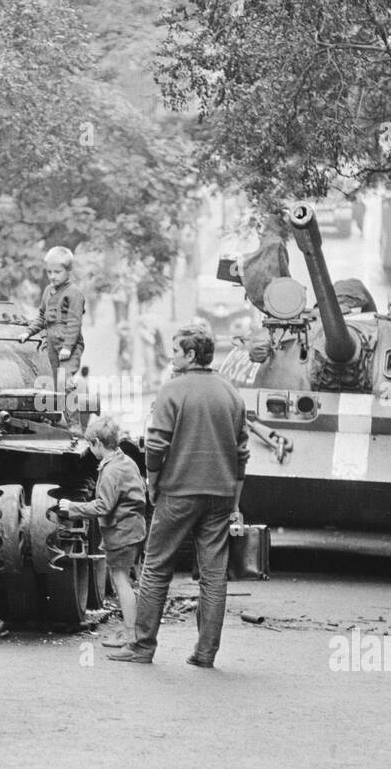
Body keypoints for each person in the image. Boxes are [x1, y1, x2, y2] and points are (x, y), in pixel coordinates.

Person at [108, 324, 249, 667]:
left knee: (156, 567)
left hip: (178, 492)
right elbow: (242, 453)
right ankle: (205, 654)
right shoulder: (231, 393)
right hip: (220, 494)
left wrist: (152, 481)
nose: (171, 356)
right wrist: (235, 501)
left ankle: (142, 648)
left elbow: (156, 445)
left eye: (175, 351)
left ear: (189, 355)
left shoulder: (173, 390)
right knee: (214, 574)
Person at [58, 416, 147, 647]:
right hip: (133, 529)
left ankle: (131, 635)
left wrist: (72, 507)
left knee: (120, 581)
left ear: (97, 442)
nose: (90, 449)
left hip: (122, 533)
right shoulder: (126, 461)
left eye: (90, 444)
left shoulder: (110, 471)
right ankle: (132, 629)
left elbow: (103, 505)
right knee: (126, 580)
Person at [23, 246, 85, 393]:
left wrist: (68, 347)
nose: (52, 276)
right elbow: (41, 317)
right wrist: (28, 332)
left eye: (57, 272)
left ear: (68, 271)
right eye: (49, 272)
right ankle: (60, 414)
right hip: (52, 343)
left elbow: (74, 322)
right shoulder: (47, 291)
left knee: (65, 382)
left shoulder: (74, 293)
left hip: (68, 343)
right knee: (55, 383)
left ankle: (72, 415)